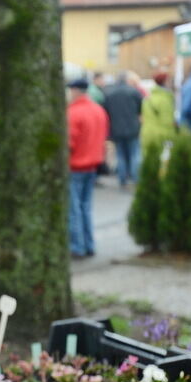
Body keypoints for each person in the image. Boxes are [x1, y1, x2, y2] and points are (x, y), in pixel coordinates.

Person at [67, 79, 109, 259]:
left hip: (75, 165)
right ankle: (89, 244)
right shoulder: (98, 110)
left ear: (76, 91)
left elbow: (69, 142)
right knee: (85, 207)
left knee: (74, 208)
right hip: (92, 164)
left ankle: (77, 246)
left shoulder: (73, 113)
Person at [102, 72, 143, 188]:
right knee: (134, 154)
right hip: (132, 128)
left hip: (116, 129)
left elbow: (106, 112)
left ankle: (122, 179)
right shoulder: (134, 92)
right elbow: (140, 109)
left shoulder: (109, 94)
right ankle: (136, 178)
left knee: (120, 155)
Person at [140, 72, 177, 148]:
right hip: (162, 136)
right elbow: (167, 121)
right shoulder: (165, 99)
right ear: (164, 82)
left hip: (147, 133)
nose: (170, 83)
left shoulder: (148, 98)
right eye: (169, 81)